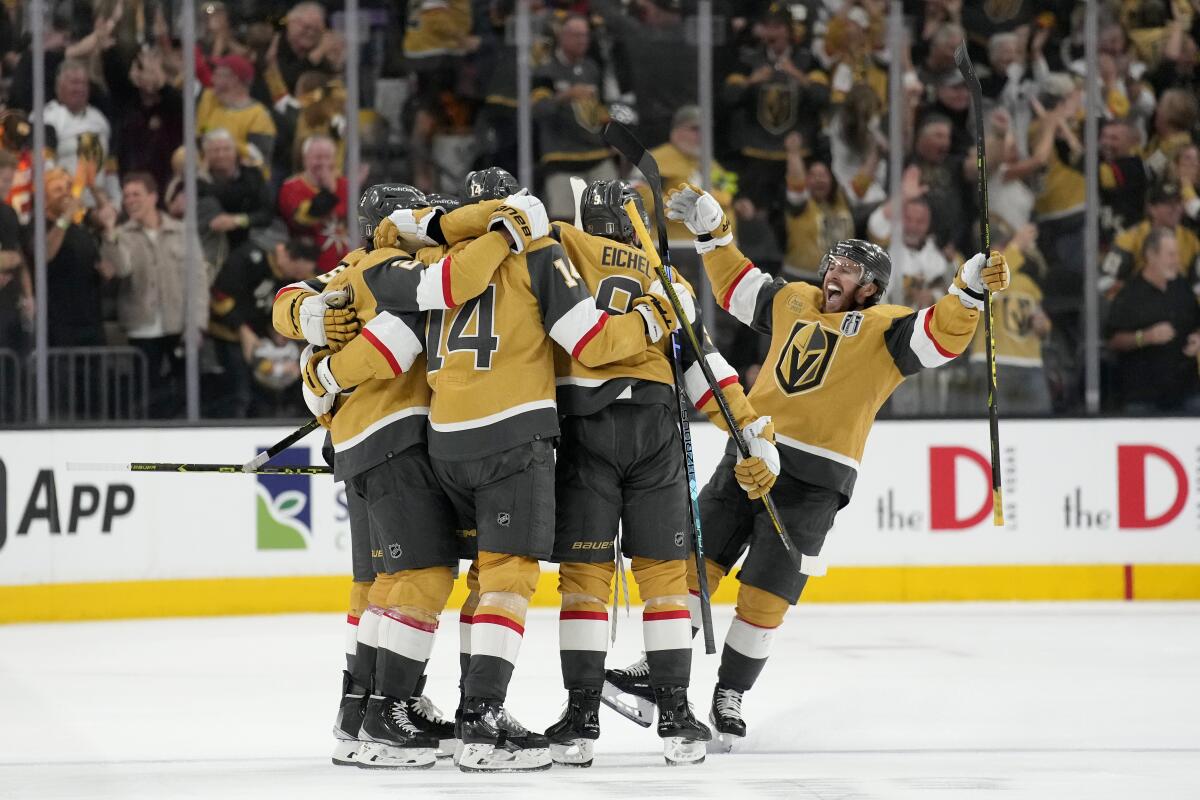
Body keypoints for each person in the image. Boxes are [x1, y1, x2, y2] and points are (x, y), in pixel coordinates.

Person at [607, 183, 1008, 751]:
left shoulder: (885, 330)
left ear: (870, 288)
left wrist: (967, 293)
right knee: (695, 566)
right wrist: (712, 232)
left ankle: (730, 695)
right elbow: (738, 287)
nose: (833, 275)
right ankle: (658, 672)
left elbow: (940, 335)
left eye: (848, 270)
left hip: (815, 482)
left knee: (766, 595)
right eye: (832, 264)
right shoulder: (792, 299)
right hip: (748, 454)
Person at [359, 184, 683, 772]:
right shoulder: (538, 251)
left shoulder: (433, 261)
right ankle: (481, 719)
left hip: (442, 437)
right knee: (505, 583)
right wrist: (659, 312)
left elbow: (381, 332)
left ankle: (391, 711)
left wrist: (319, 371)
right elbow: (591, 340)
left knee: (453, 581)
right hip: (513, 435)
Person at [274, 185, 523, 768]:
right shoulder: (394, 269)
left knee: (377, 586)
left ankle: (358, 708)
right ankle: (391, 712)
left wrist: (316, 366)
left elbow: (292, 299)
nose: (427, 224)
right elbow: (397, 342)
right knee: (421, 575)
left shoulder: (352, 268)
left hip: (360, 445)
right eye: (416, 216)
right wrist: (326, 369)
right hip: (395, 438)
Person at [545, 180, 757, 767]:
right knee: (665, 578)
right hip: (657, 428)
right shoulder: (671, 279)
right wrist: (748, 434)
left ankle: (581, 719)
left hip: (586, 425)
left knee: (585, 579)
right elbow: (703, 364)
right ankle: (676, 716)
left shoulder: (560, 247)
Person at [97, 172, 204, 419]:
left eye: (136, 194)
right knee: (146, 391)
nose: (130, 200)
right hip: (142, 327)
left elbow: (198, 280)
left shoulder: (181, 231)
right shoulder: (121, 234)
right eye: (126, 196)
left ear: (153, 197)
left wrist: (197, 323)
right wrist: (110, 231)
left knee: (185, 388)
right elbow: (122, 268)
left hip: (178, 322)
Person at [208, 236, 318, 418]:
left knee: (264, 396)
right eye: (297, 272)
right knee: (238, 394)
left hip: (259, 339)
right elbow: (220, 296)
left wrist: (276, 331)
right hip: (227, 335)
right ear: (287, 257)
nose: (298, 278)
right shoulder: (247, 259)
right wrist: (243, 330)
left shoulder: (285, 276)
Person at [1105, 227, 1200, 415]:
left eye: (1177, 254)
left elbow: (1196, 323)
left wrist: (1198, 338)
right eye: (1170, 255)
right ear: (1151, 255)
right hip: (1144, 397)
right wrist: (1146, 337)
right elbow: (1114, 341)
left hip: (1186, 392)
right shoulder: (1129, 295)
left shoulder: (1181, 287)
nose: (1177, 261)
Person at [531, 15, 617, 220]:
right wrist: (566, 95)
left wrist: (613, 135)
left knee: (610, 214)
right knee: (564, 221)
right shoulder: (546, 70)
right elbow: (539, 109)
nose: (582, 40)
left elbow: (604, 107)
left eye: (585, 35)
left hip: (596, 154)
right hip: (560, 156)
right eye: (576, 35)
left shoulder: (592, 68)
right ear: (563, 36)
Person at [1104, 181, 1200, 295]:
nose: (1175, 208)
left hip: (1177, 305)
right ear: (1151, 208)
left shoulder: (1191, 240)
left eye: (1178, 203)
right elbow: (1105, 280)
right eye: (1168, 204)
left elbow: (1197, 284)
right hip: (1139, 303)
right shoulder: (1129, 239)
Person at [197, 129, 274, 268]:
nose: (221, 155)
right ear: (205, 155)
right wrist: (202, 178)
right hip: (210, 245)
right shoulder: (197, 181)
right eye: (215, 150)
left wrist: (237, 221)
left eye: (226, 149)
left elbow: (266, 214)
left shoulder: (252, 175)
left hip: (248, 239)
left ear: (235, 151)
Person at [782, 136, 855, 283]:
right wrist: (793, 152)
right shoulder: (800, 204)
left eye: (823, 175)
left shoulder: (842, 202)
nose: (819, 179)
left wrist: (876, 150)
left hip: (836, 280)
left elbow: (862, 184)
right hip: (799, 279)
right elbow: (796, 183)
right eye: (813, 175)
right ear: (806, 180)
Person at [277, 135, 350, 273]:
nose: (323, 163)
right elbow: (302, 220)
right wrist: (328, 191)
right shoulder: (291, 187)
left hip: (348, 267)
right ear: (305, 160)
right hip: (310, 270)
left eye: (328, 157)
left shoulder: (345, 185)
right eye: (317, 158)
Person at [196, 53, 277, 170]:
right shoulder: (213, 105)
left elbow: (259, 159)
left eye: (217, 75)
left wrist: (223, 144)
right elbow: (200, 140)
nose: (212, 79)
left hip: (243, 184)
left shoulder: (258, 115)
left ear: (233, 79)